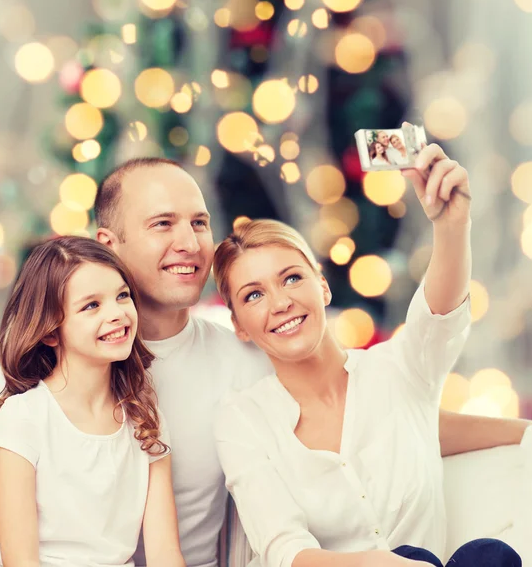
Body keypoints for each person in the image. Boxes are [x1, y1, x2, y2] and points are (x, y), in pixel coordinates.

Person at [0, 156, 530, 567]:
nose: (189, 241)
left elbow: (381, 418)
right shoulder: (33, 376)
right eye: (163, 224)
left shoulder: (245, 354)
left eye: (199, 222)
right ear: (109, 244)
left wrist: (521, 434)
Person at [212, 144, 523, 567]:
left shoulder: (398, 370)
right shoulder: (242, 420)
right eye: (253, 295)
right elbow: (285, 549)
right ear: (240, 326)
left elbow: (439, 316)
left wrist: (452, 225)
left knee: (488, 557)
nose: (280, 302)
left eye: (291, 278)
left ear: (322, 287)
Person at [0, 236, 183, 567]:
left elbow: (165, 554)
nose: (117, 313)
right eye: (91, 305)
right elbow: (21, 561)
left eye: (122, 296)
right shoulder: (24, 416)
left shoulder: (145, 416)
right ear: (50, 332)